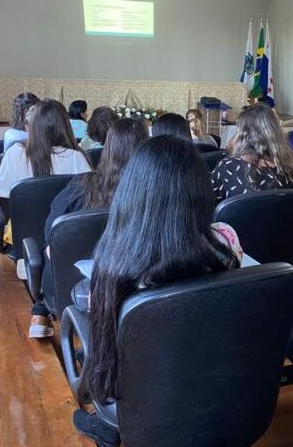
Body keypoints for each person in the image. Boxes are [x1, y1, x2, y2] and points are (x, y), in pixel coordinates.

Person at [72, 135, 243, 443]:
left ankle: (106, 427)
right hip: (213, 379)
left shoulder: (112, 258)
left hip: (144, 396)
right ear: (200, 190)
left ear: (132, 191)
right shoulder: (227, 240)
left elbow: (106, 336)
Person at [30, 118, 149, 338]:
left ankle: (40, 311)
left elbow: (52, 233)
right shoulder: (152, 194)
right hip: (134, 291)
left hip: (68, 287)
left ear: (108, 148)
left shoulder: (81, 185)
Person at [0, 99, 92, 198]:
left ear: (32, 126)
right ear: (65, 126)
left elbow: (0, 190)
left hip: (24, 214)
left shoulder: (14, 153)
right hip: (62, 214)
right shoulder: (76, 157)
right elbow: (88, 193)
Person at [211, 103, 293, 201]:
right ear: (275, 131)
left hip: (240, 216)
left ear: (242, 134)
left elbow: (209, 204)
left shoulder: (227, 166)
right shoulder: (289, 166)